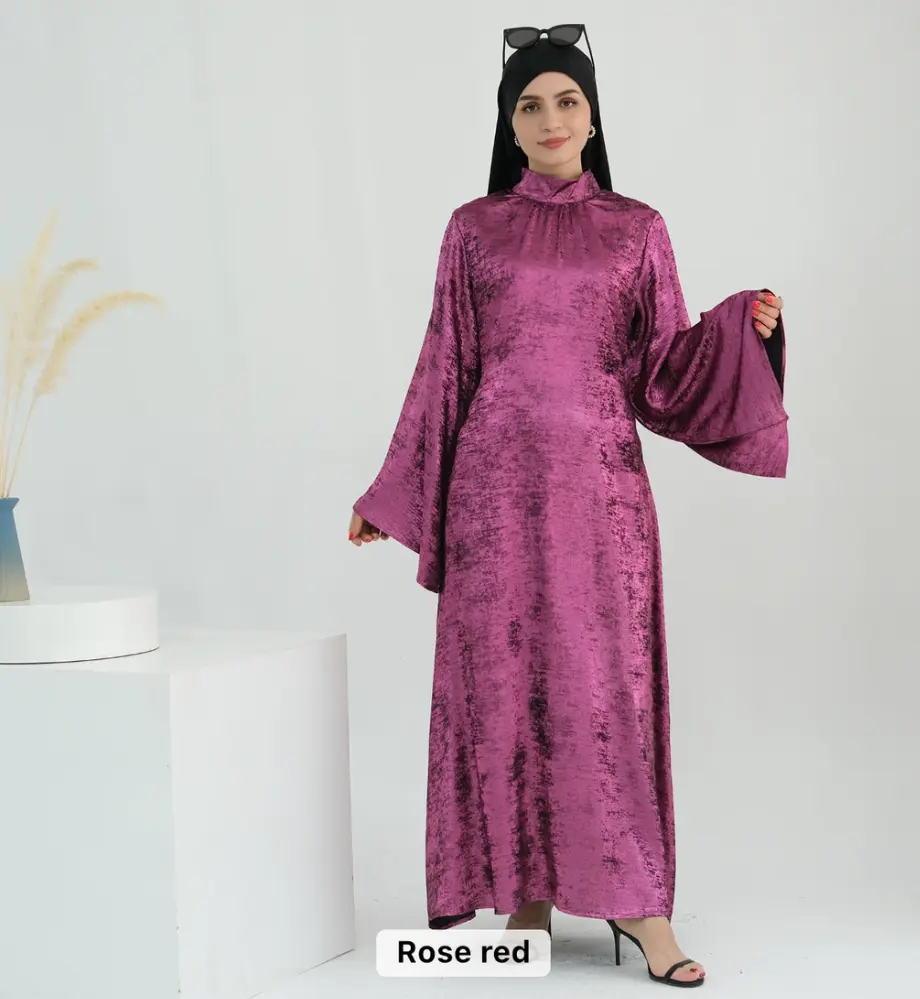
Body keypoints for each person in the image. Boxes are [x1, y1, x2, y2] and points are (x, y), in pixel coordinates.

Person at [348, 24, 787, 989]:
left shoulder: (638, 228)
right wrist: (395, 493)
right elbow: (445, 362)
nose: (549, 119)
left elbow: (667, 370)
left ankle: (641, 906)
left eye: (567, 101)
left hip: (600, 497)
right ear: (508, 125)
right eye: (529, 104)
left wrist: (743, 332)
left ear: (593, 117)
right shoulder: (472, 228)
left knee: (604, 690)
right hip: (491, 496)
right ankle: (525, 896)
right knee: (505, 687)